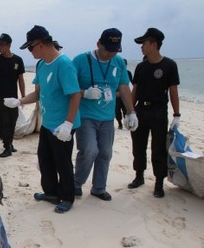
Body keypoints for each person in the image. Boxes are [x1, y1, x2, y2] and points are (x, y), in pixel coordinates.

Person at [4, 25, 81, 213]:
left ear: (41, 44)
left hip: (63, 124)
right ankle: (52, 192)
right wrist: (19, 101)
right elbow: (38, 93)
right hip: (47, 122)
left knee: (62, 161)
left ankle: (67, 197)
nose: (30, 52)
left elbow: (75, 95)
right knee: (45, 159)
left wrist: (68, 124)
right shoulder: (40, 65)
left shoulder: (64, 64)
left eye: (30, 47)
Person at [72, 28, 137, 201]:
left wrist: (131, 112)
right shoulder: (80, 60)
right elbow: (67, 88)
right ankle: (76, 183)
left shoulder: (118, 62)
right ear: (98, 43)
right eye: (107, 49)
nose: (110, 53)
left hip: (107, 117)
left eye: (115, 50)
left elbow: (123, 87)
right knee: (89, 150)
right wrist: (84, 92)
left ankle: (99, 188)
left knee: (106, 153)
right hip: (85, 115)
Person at [128, 27, 180, 198]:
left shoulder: (169, 65)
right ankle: (139, 176)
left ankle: (159, 183)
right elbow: (134, 90)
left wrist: (176, 115)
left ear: (153, 44)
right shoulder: (141, 67)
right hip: (141, 110)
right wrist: (130, 111)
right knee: (138, 145)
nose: (141, 46)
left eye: (144, 43)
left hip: (158, 111)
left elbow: (173, 91)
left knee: (158, 148)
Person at [0, 33, 26, 157]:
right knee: (5, 121)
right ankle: (6, 147)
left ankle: (10, 143)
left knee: (13, 120)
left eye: (2, 44)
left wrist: (23, 97)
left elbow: (21, 79)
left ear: (9, 45)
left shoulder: (17, 60)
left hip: (13, 97)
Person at [115, 59, 133, 129]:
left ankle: (127, 123)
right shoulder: (115, 72)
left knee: (125, 110)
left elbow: (132, 83)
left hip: (125, 95)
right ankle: (120, 123)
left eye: (125, 64)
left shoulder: (128, 73)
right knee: (117, 111)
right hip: (117, 95)